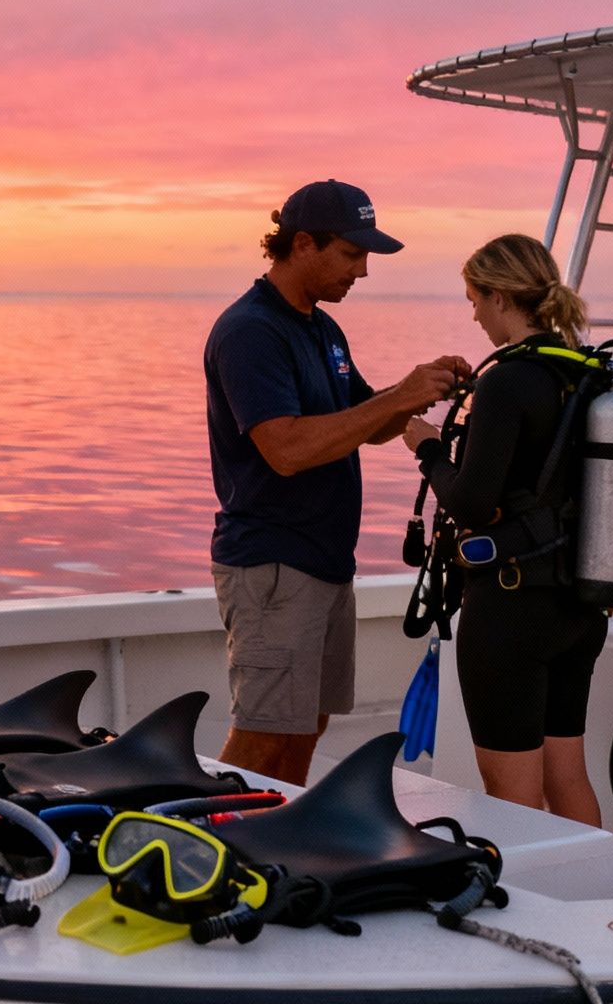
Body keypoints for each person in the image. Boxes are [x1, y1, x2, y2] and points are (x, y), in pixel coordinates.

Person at [205, 178, 466, 786]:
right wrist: (401, 396)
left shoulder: (321, 329)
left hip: (324, 564)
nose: (364, 272)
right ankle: (201, 857)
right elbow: (288, 451)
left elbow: (364, 424)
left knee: (305, 730)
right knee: (263, 739)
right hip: (273, 566)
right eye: (352, 255)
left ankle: (277, 860)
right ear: (302, 245)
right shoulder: (250, 331)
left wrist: (418, 390)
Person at [400, 234, 605, 824]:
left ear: (498, 296)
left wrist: (428, 447)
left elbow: (469, 502)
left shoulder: (507, 381)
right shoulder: (586, 373)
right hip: (579, 603)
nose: (473, 314)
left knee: (512, 787)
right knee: (567, 775)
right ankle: (587, 908)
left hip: (512, 607)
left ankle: (533, 911)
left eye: (473, 299)